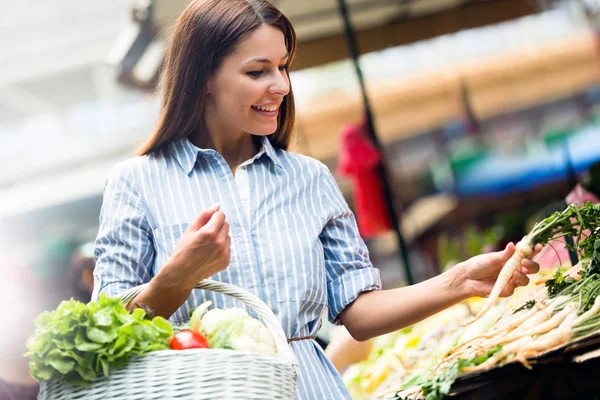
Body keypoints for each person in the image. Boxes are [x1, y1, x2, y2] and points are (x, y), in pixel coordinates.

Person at [92, 0, 541, 398]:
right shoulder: (138, 182)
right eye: (257, 71)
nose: (282, 86)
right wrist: (178, 276)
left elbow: (358, 311)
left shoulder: (309, 179)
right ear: (204, 77)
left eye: (283, 67)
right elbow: (105, 328)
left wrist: (459, 281)